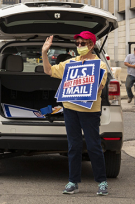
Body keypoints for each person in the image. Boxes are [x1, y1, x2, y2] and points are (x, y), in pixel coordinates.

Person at [41, 31, 108, 196]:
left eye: (82, 43)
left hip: (90, 111)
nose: (79, 46)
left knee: (93, 146)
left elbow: (100, 87)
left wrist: (93, 82)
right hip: (70, 109)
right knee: (74, 146)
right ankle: (73, 182)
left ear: (91, 45)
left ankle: (102, 182)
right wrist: (44, 53)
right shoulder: (70, 64)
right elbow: (49, 71)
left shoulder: (100, 65)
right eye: (77, 43)